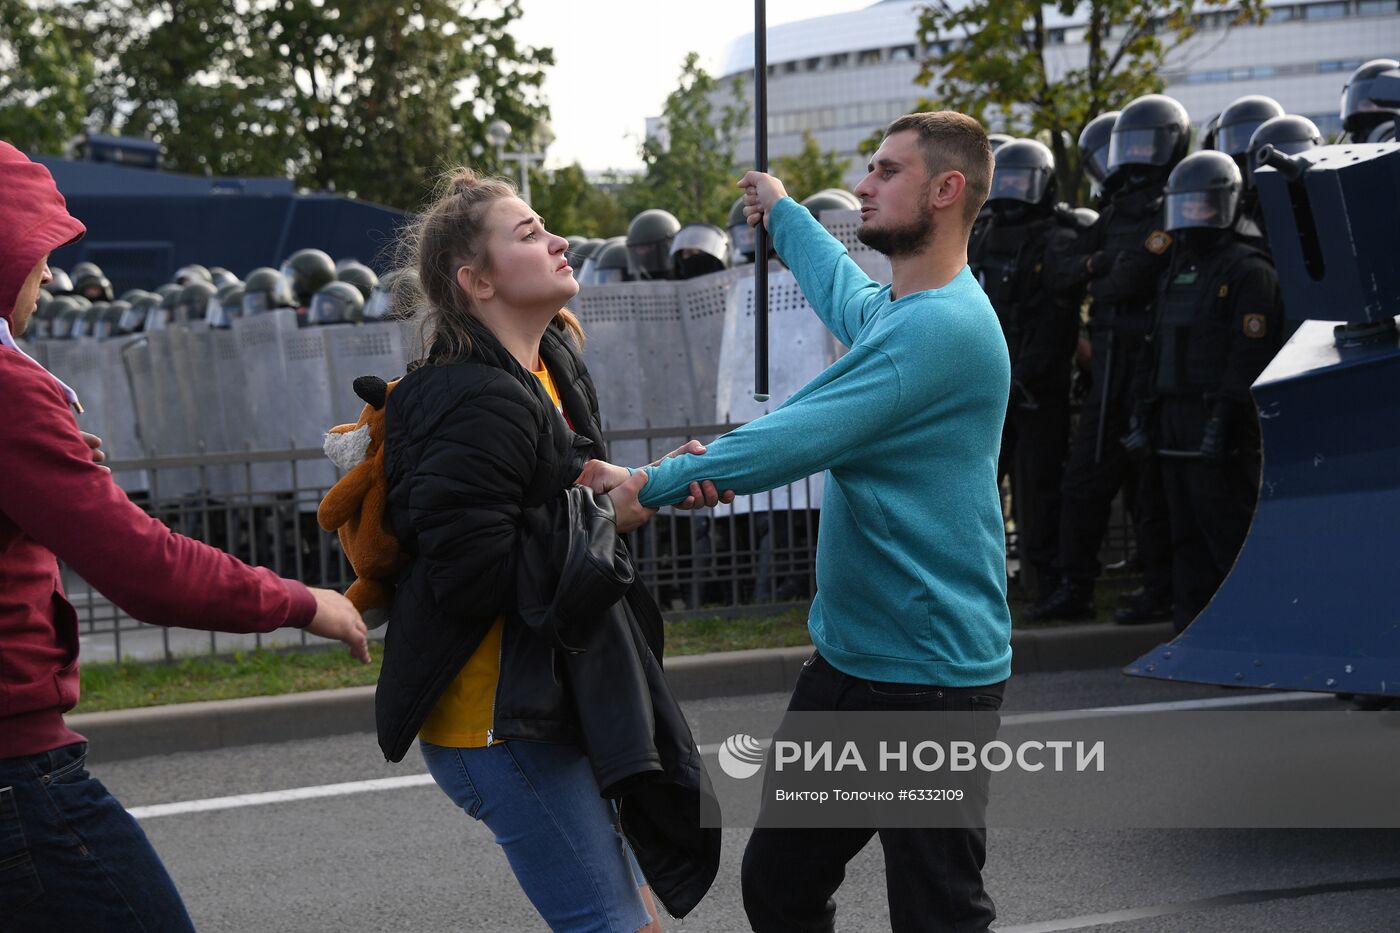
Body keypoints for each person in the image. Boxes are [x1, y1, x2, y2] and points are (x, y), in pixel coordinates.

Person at [593, 111, 1012, 933]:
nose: (864, 183)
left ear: (946, 188)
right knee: (781, 886)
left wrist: (652, 484)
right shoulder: (906, 310)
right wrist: (782, 212)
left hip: (930, 682)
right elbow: (845, 291)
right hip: (852, 665)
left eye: (886, 171)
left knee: (938, 916)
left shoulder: (939, 331)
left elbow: (793, 434)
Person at [0, 140, 370, 931]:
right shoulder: (10, 392)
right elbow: (142, 567)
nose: (47, 276)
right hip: (16, 775)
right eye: (40, 254)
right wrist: (302, 600)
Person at [377, 168, 721, 932]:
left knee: (634, 917)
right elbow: (475, 573)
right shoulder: (469, 395)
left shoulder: (550, 364)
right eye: (528, 234)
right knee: (609, 923)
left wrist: (643, 485)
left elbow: (556, 500)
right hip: (496, 721)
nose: (559, 240)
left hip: (553, 698)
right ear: (478, 282)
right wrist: (608, 510)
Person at [1028, 93, 1191, 624]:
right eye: (1131, 144)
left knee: (1151, 485)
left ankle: (1160, 588)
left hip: (1151, 361)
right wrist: (1106, 263)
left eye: (1147, 143)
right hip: (1110, 361)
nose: (1136, 156)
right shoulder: (1117, 210)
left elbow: (1137, 274)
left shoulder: (1174, 202)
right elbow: (1065, 272)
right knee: (1085, 478)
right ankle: (1074, 587)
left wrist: (1105, 270)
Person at [1128, 150, 1283, 632]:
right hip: (1174, 414)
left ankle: (1251, 630)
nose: (1194, 215)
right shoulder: (1176, 269)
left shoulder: (1248, 270)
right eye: (1186, 205)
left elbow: (1248, 355)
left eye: (1203, 205)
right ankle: (1194, 632)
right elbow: (1154, 346)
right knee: (1184, 532)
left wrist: (1223, 421)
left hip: (1222, 417)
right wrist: (1142, 413)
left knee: (1226, 528)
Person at [971, 139, 1093, 603]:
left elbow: (1057, 317)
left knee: (1038, 490)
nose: (1013, 191)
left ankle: (1044, 580)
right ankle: (987, 584)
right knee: (979, 489)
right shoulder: (982, 233)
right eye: (1006, 179)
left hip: (1038, 388)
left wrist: (1027, 373)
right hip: (989, 387)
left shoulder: (1056, 237)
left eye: (1022, 180)